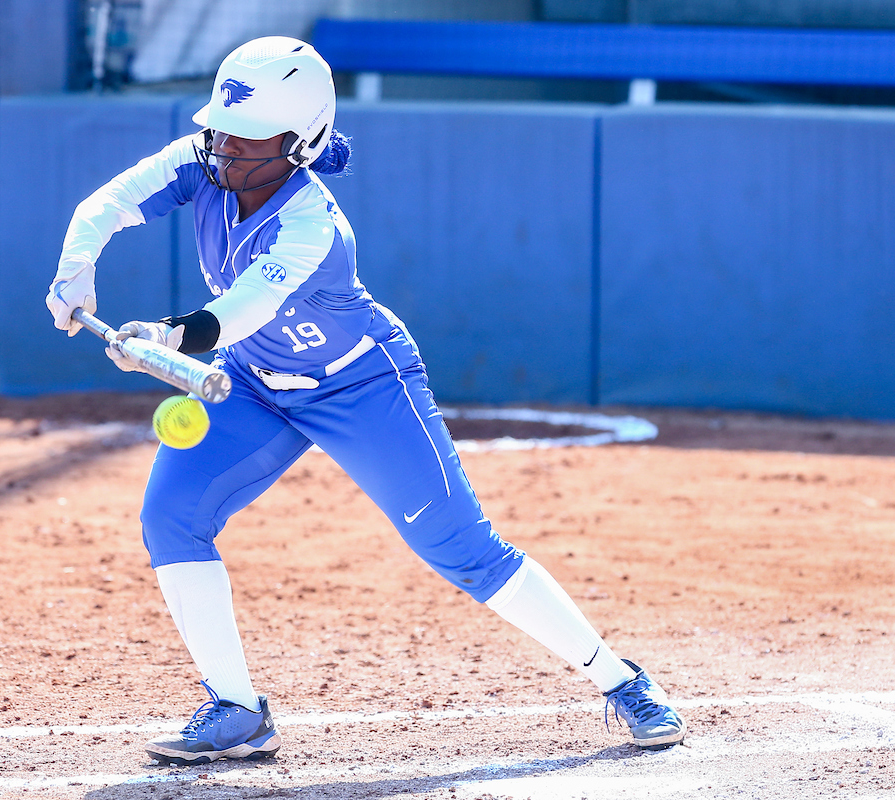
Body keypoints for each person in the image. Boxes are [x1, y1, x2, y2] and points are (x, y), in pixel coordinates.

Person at [46, 36, 687, 766]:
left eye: (248, 136)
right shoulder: (201, 164)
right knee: (171, 516)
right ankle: (236, 710)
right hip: (254, 382)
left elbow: (245, 308)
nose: (225, 146)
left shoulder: (311, 226)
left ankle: (621, 680)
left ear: (299, 143)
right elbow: (107, 203)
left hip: (361, 386)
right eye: (221, 128)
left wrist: (169, 336)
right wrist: (75, 270)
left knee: (462, 549)